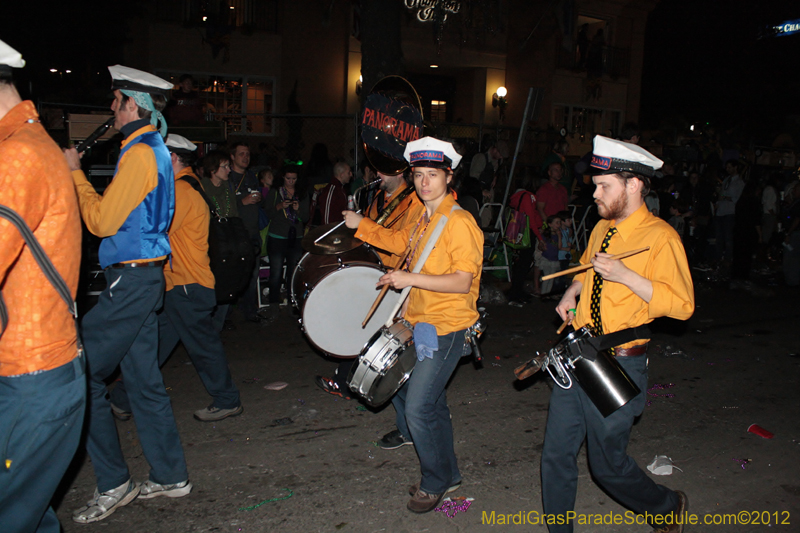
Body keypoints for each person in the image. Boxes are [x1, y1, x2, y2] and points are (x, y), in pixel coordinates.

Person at [544, 135, 694, 533]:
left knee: (606, 467)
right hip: (579, 355)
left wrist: (627, 276)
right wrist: (572, 292)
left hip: (620, 364)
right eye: (595, 184)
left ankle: (666, 506)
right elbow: (586, 268)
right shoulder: (601, 227)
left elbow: (682, 305)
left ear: (634, 185)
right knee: (556, 454)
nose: (594, 193)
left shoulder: (661, 238)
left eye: (603, 185)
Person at [63, 65, 191, 524]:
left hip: (131, 281)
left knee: (82, 375)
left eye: (115, 102)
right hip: (145, 278)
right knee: (144, 383)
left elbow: (100, 222)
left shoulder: (139, 154)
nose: (110, 110)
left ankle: (114, 482)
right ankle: (170, 475)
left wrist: (75, 174)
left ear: (132, 104)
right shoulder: (148, 149)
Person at [344, 137, 483, 513]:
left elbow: (462, 281)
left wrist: (409, 280)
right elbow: (400, 245)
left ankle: (435, 481)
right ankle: (449, 474)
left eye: (432, 175)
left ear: (448, 176)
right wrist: (366, 231)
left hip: (450, 328)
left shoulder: (460, 223)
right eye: (418, 175)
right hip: (421, 323)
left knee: (420, 409)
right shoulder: (424, 218)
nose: (423, 183)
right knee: (431, 404)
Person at [0, 40, 86, 533]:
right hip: (47, 366)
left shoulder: (18, 158)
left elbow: (110, 219)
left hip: (30, 373)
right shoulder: (36, 146)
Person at [109, 134, 243, 423]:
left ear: (170, 158)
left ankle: (227, 399)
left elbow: (152, 231)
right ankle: (122, 399)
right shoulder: (182, 188)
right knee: (153, 347)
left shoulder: (180, 192)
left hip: (186, 286)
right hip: (180, 285)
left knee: (202, 348)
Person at [314, 168, 424, 401]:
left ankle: (370, 386)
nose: (378, 174)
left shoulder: (414, 202)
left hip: (395, 278)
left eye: (384, 171)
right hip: (376, 272)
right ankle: (348, 380)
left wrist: (362, 224)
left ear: (400, 174)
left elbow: (402, 244)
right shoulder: (379, 198)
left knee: (374, 336)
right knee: (359, 328)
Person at [263, 162, 309, 306]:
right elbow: (267, 213)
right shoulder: (275, 192)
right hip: (277, 237)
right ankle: (274, 303)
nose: (291, 182)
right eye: (288, 178)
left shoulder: (302, 193)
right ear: (282, 177)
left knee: (293, 271)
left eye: (294, 179)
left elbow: (306, 217)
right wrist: (278, 207)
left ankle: (291, 301)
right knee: (275, 272)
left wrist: (298, 209)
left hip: (295, 237)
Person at [228, 142, 262, 322]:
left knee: (252, 274)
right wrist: (243, 201)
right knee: (233, 273)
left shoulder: (251, 176)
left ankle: (250, 310)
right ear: (232, 157)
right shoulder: (227, 177)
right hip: (236, 234)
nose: (245, 157)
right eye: (241, 154)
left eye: (247, 154)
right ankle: (226, 313)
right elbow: (223, 205)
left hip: (253, 233)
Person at [506, 176, 544, 306]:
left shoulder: (518, 195)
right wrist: (539, 237)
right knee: (524, 264)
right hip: (528, 233)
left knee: (521, 263)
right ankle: (515, 293)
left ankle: (516, 291)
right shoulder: (528, 196)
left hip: (520, 232)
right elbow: (531, 219)